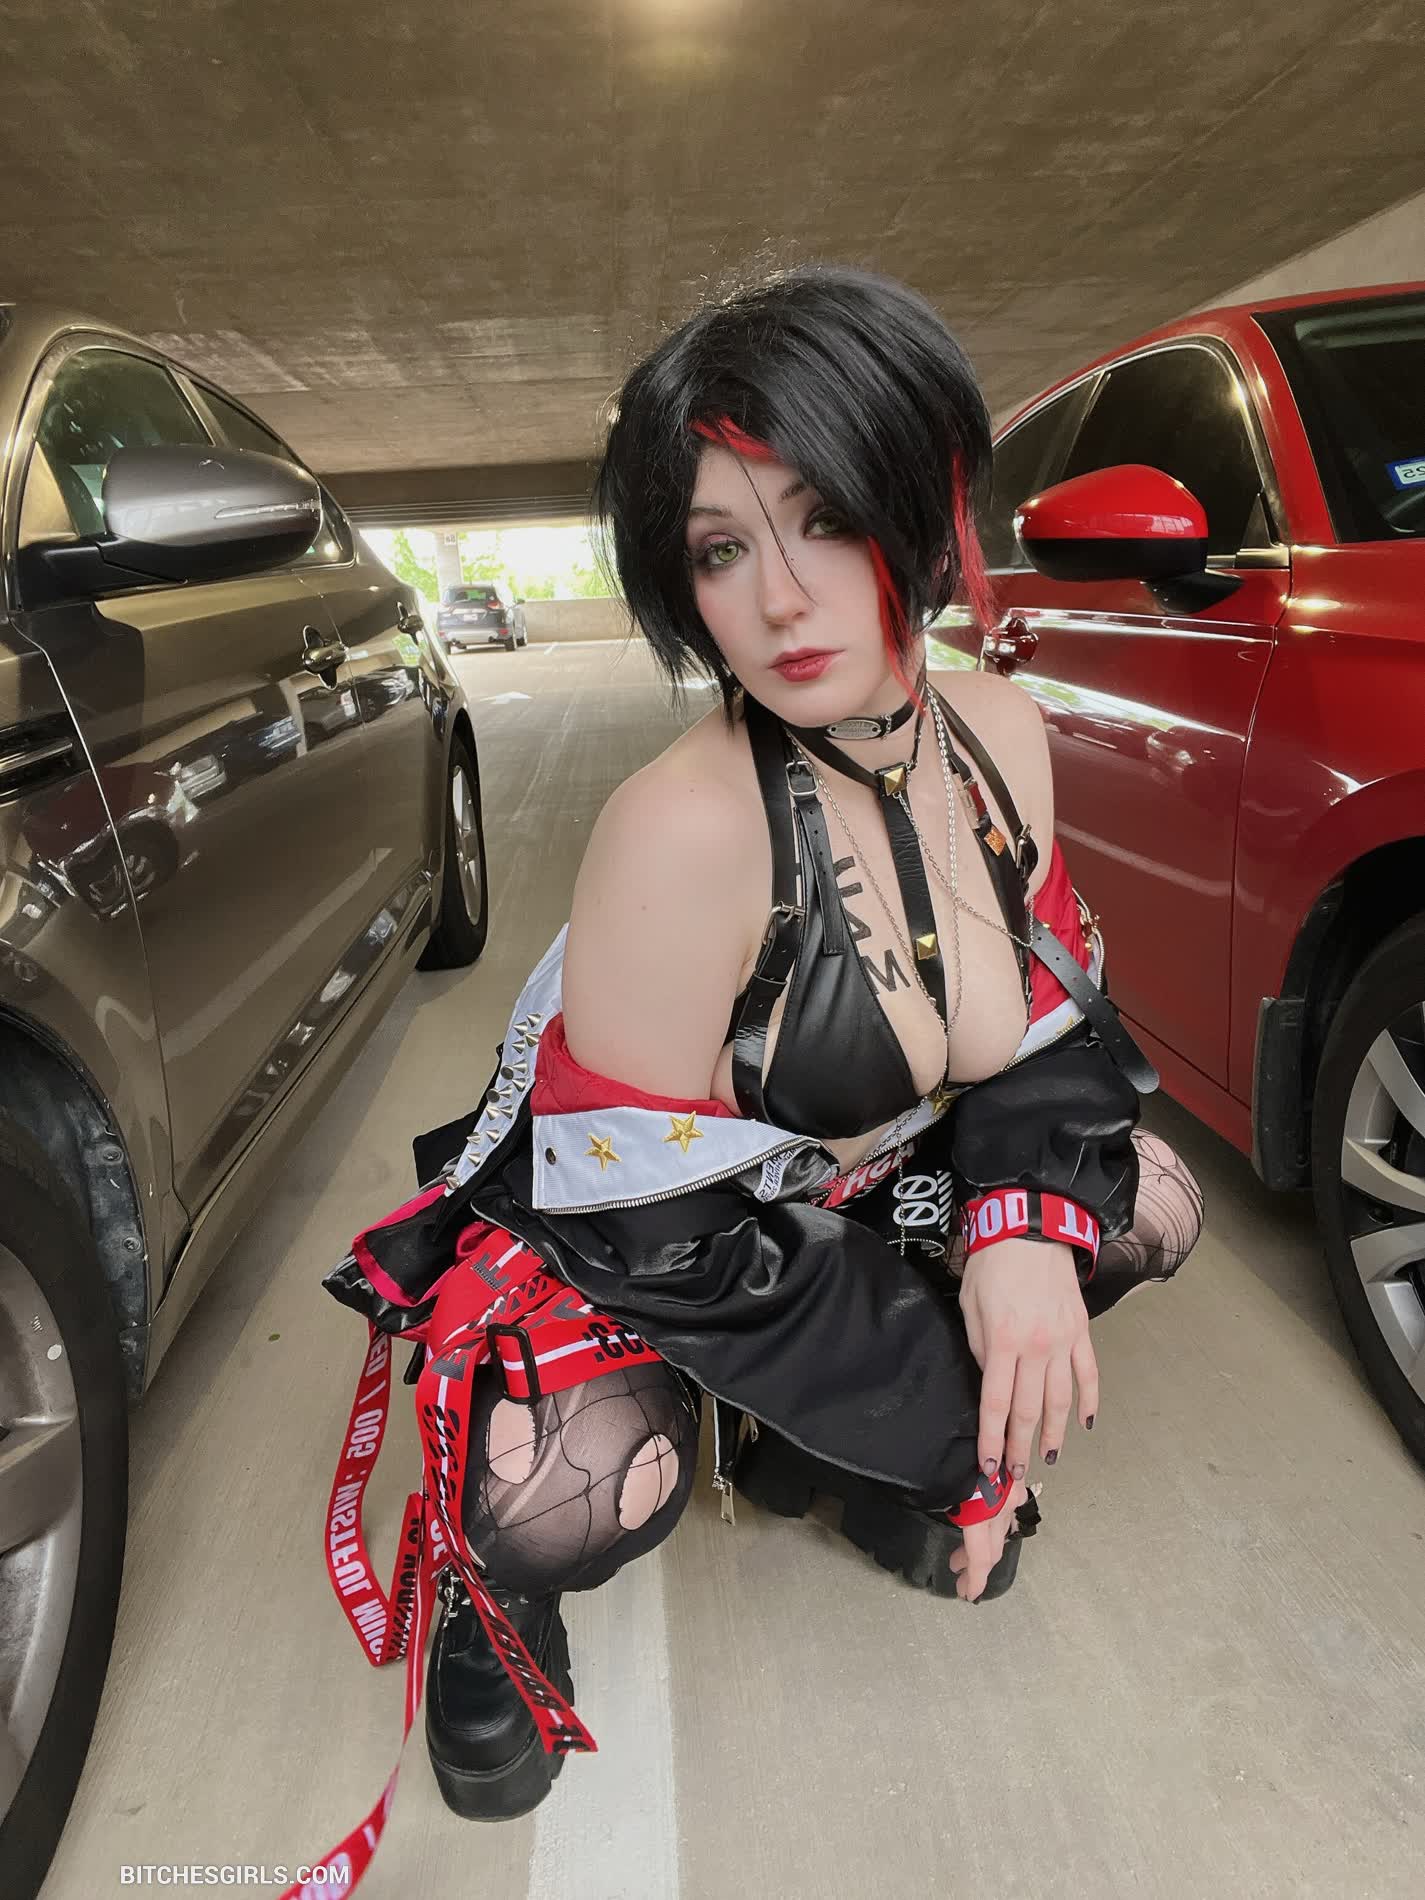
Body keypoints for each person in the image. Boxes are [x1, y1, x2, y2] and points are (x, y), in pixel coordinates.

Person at [324, 265, 1204, 1841]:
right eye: (720, 549)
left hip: (856, 1185)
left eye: (826, 518)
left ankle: (832, 1461)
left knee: (1137, 1202)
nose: (780, 601)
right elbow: (655, 1240)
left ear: (920, 510)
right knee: (566, 1480)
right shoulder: (676, 830)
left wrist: (1014, 1238)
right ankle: (489, 1593)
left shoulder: (999, 737)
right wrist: (947, 1435)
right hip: (648, 1248)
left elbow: (1049, 1027)